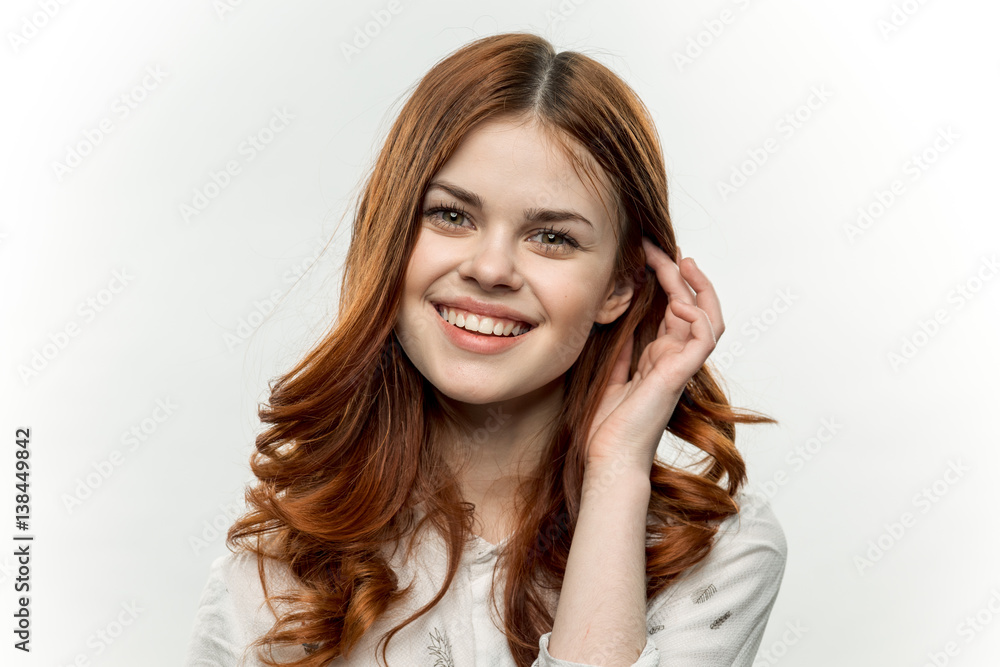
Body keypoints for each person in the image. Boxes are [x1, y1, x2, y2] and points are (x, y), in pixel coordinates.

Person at [185, 31, 787, 667]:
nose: (491, 267)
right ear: (390, 238)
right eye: (451, 216)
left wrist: (614, 473)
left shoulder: (718, 556)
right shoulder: (272, 575)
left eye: (551, 236)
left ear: (620, 286)